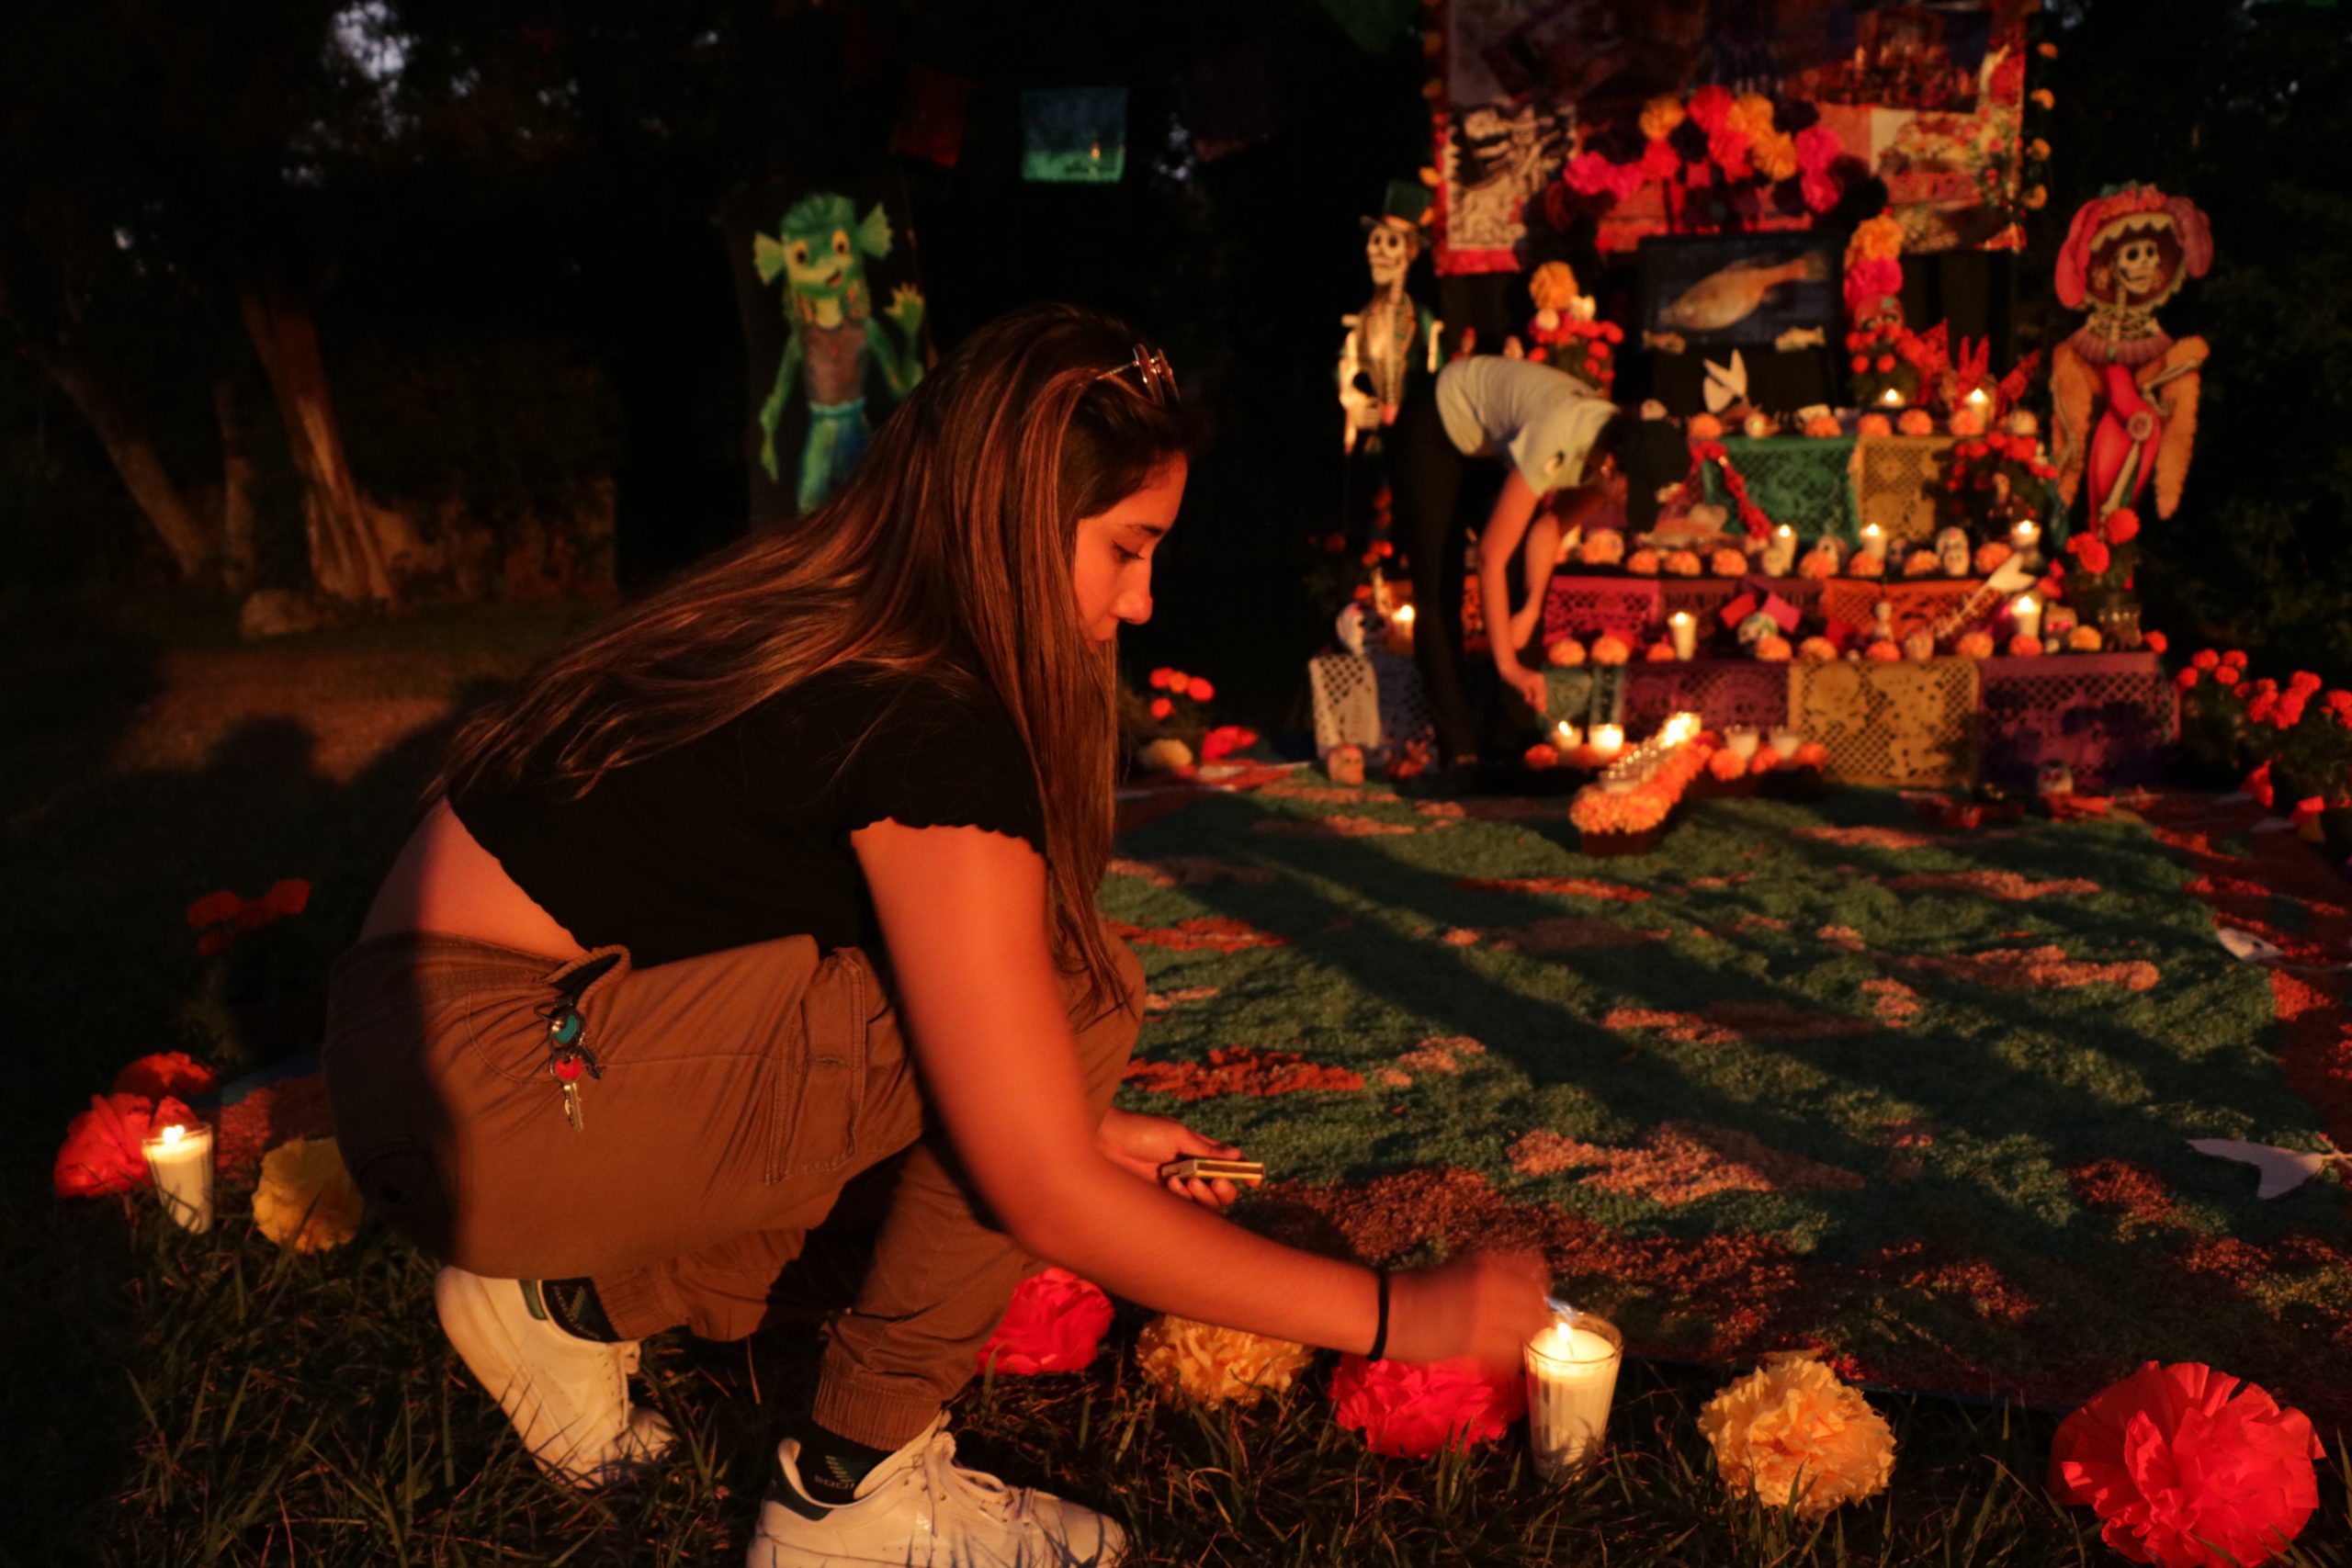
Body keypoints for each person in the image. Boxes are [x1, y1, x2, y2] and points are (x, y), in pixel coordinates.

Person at [322, 302, 1552, 1568]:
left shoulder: (843, 619)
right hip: (489, 1083)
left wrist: (1062, 1125)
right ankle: (850, 1492)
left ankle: (569, 1302)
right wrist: (1406, 1313)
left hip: (447, 1058)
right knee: (1066, 1004)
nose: (1141, 600)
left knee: (987, 1131)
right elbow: (1033, 1177)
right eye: (1127, 548)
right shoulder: (924, 717)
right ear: (1020, 524)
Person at [1391, 354, 1630, 771]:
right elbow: (1489, 555)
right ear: (1613, 466)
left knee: (1523, 579)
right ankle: (1459, 748)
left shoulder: (1617, 452)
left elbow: (1546, 531)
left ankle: (1512, 740)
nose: (1627, 503)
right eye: (1631, 493)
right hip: (1435, 424)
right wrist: (1507, 665)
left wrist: (1532, 608)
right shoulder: (1558, 434)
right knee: (1438, 586)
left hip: (1490, 444)